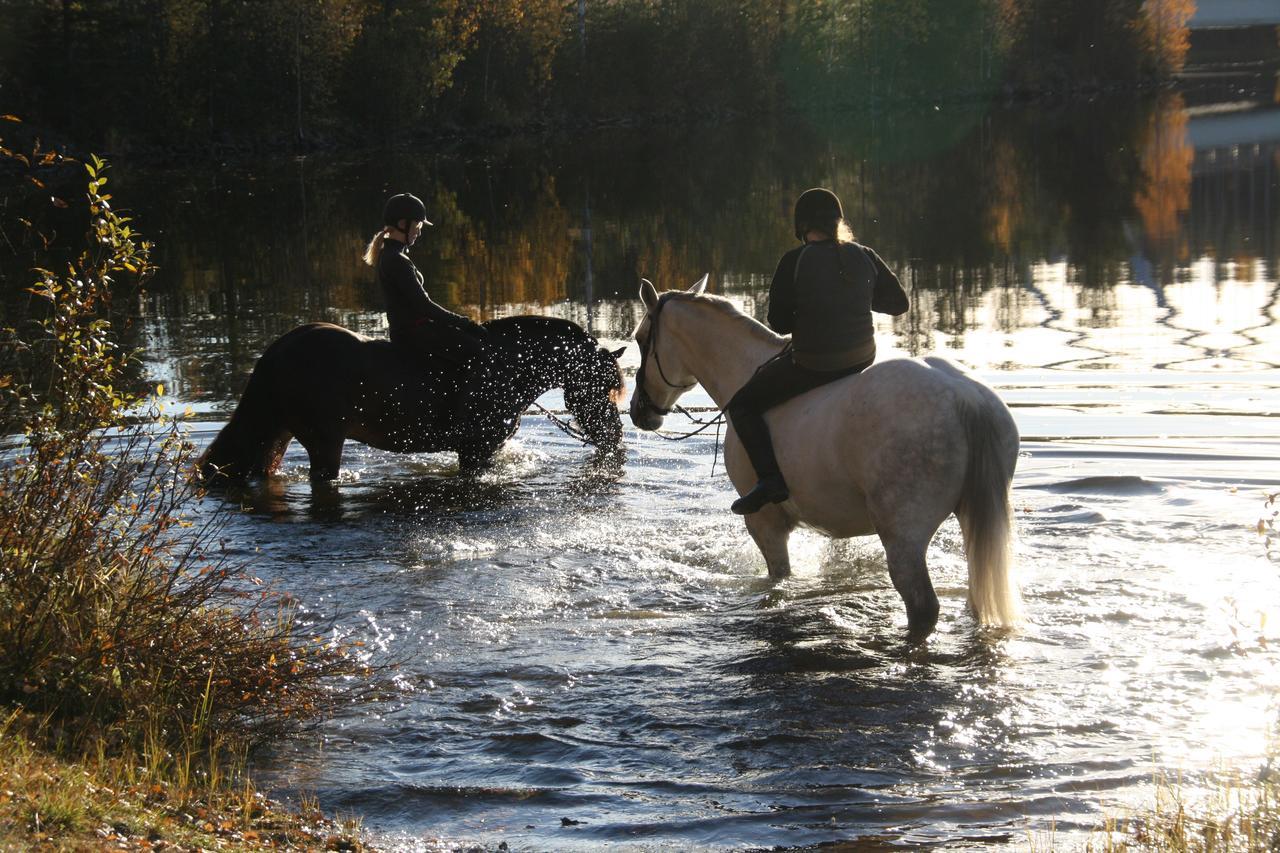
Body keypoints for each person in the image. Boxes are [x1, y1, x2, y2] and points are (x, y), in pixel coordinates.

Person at [726, 187, 909, 515]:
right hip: (861, 359)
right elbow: (899, 304)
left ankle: (770, 480)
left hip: (814, 364)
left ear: (801, 226)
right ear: (838, 221)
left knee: (741, 405)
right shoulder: (864, 254)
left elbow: (779, 324)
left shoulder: (793, 262)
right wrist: (857, 296)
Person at [363, 192, 488, 367]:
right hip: (416, 333)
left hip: (410, 331)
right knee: (478, 350)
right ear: (402, 224)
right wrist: (466, 324)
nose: (419, 232)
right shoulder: (397, 260)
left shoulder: (389, 254)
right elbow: (424, 306)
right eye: (418, 225)